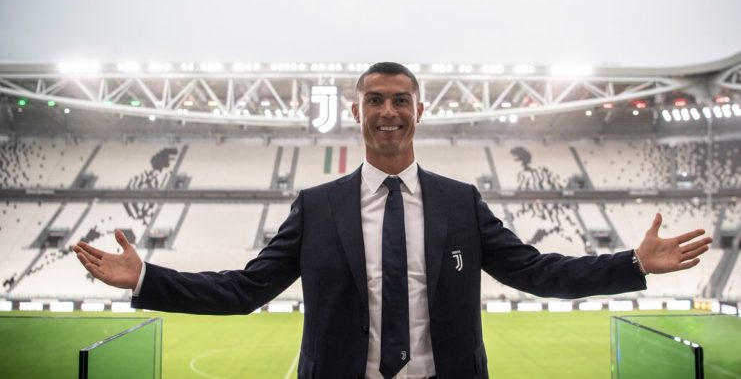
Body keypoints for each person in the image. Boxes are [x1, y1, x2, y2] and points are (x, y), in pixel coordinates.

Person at [74, 62, 713, 379]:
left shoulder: (460, 203)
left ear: (418, 110)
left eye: (400, 100)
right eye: (375, 100)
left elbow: (538, 272)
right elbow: (245, 289)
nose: (388, 112)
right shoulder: (317, 207)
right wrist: (146, 278)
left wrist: (632, 264)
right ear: (357, 112)